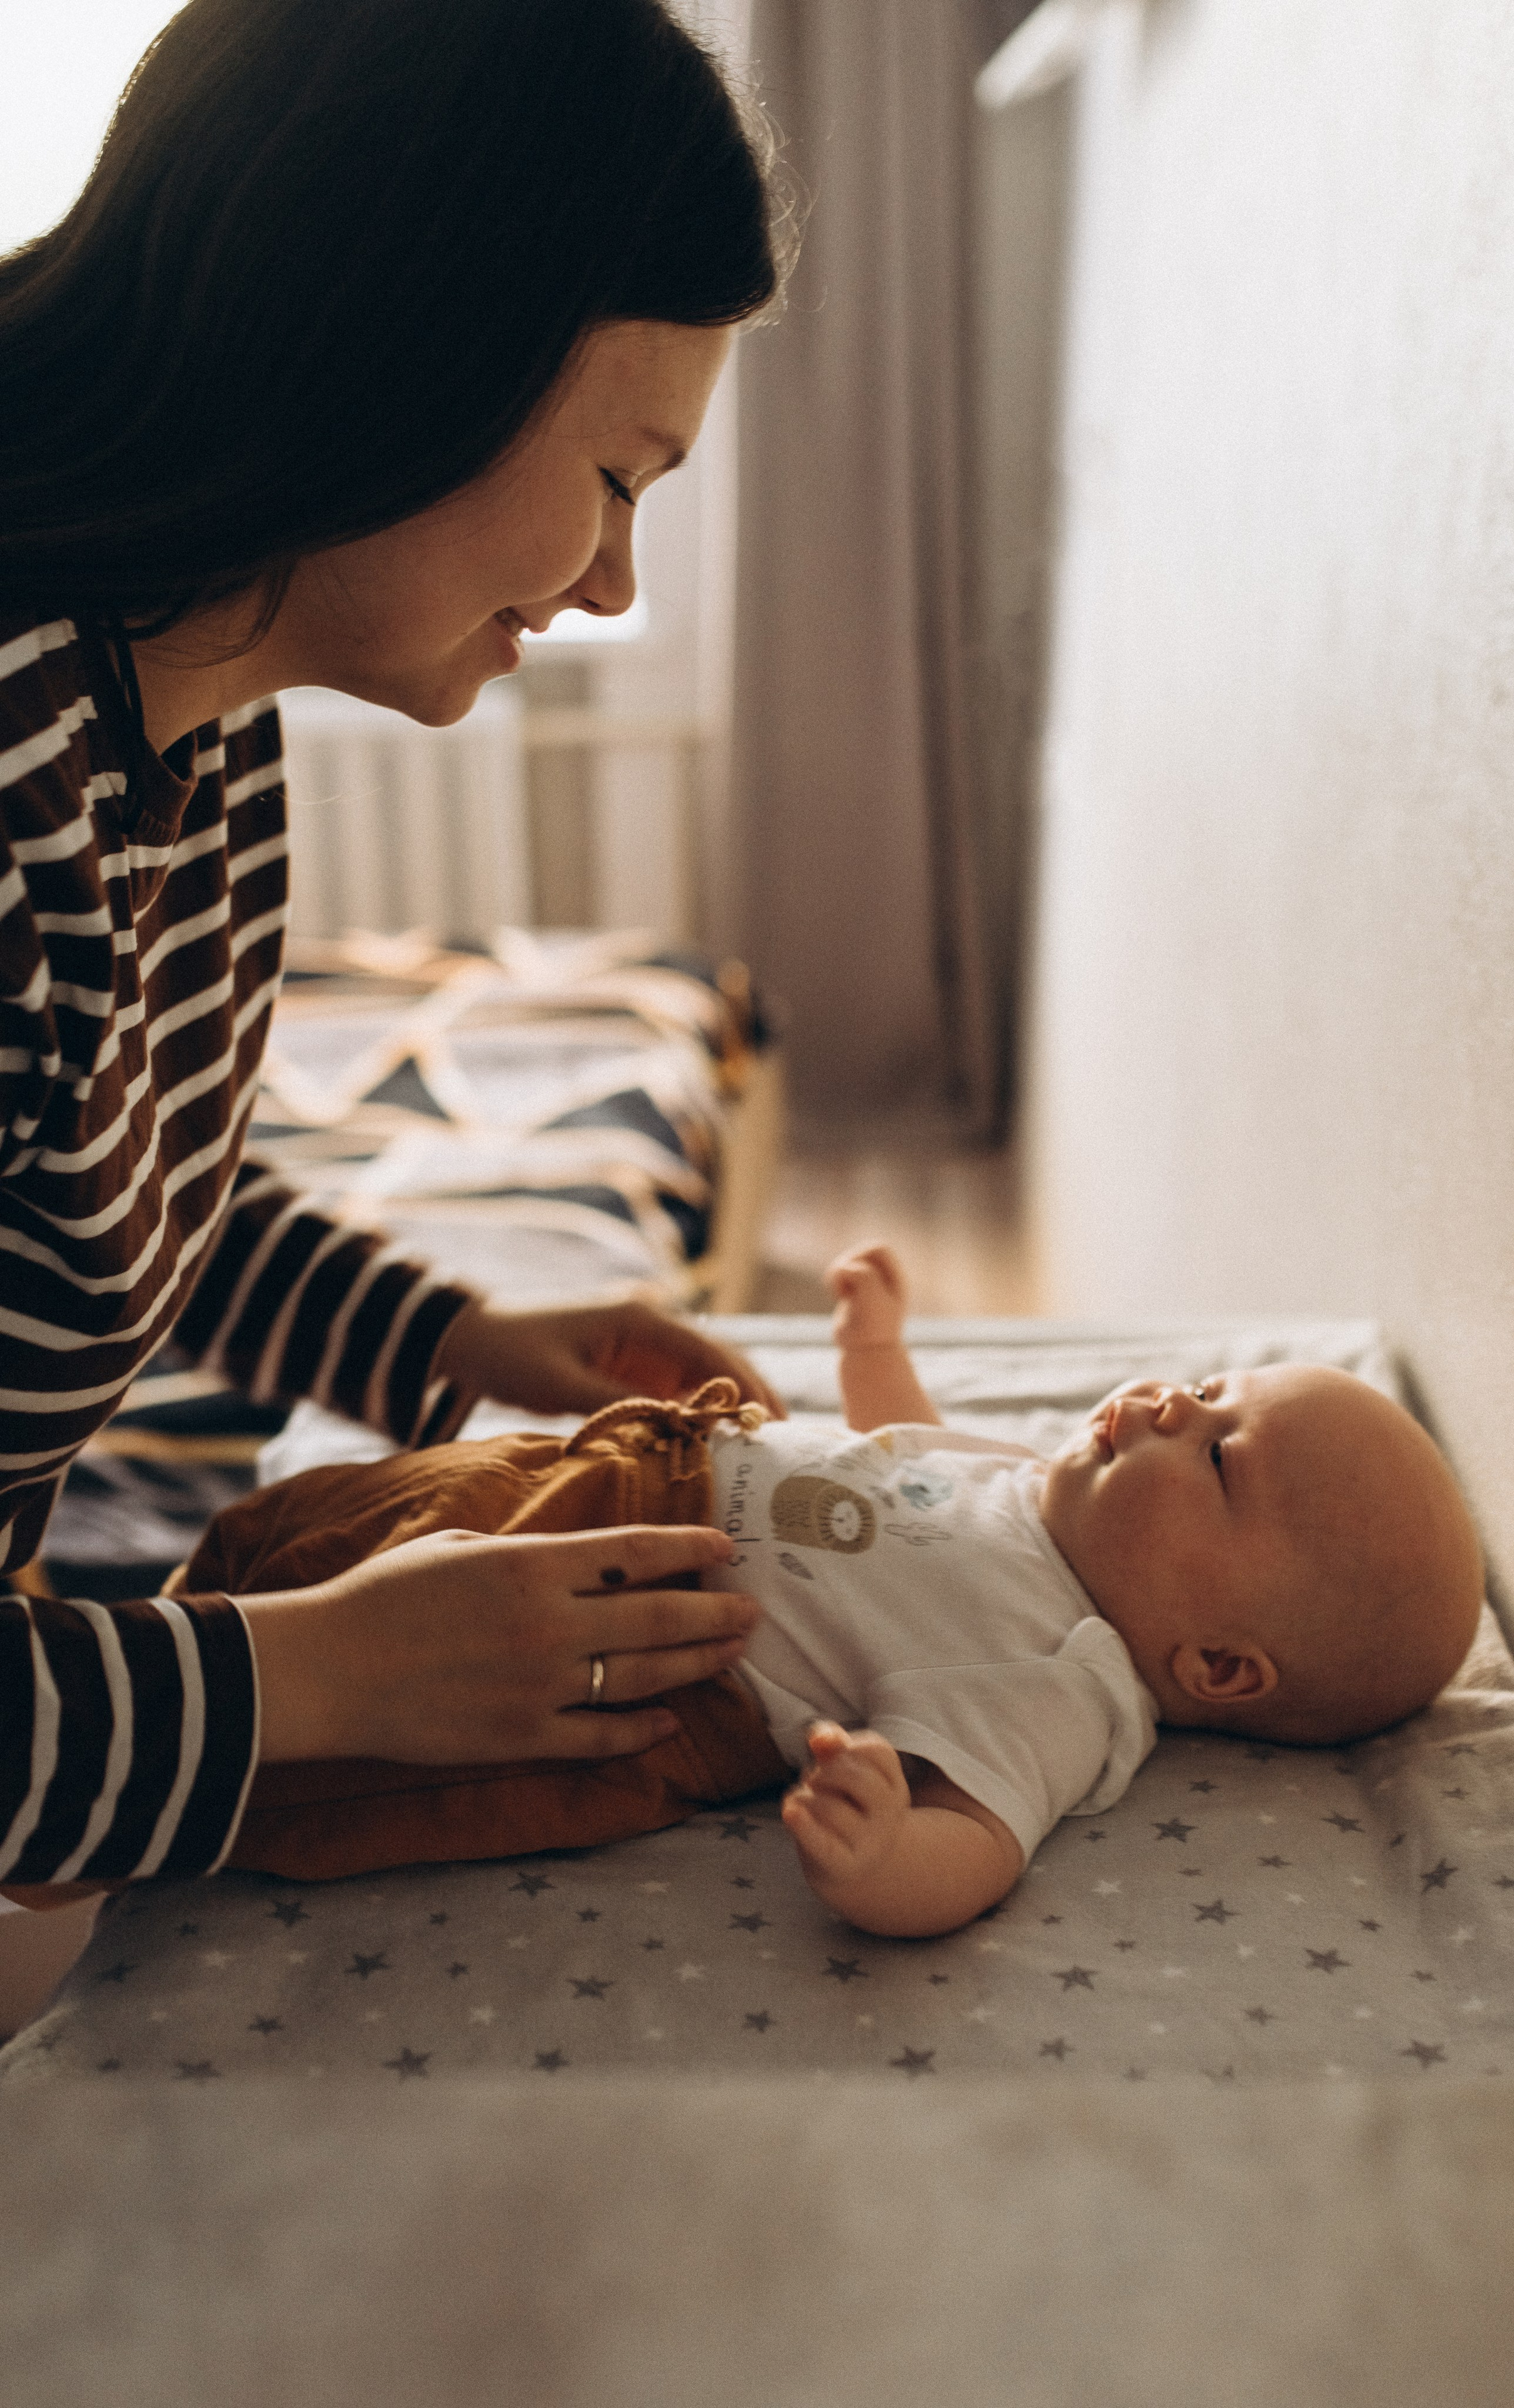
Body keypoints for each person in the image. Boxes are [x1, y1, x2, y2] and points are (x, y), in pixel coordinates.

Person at [0, 0, 790, 1893]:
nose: (613, 583)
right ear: (413, 345)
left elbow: (95, 1182)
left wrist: (452, 1338)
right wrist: (321, 1677)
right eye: (620, 479)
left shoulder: (187, 711)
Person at [177, 1244, 1486, 1936]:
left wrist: (882, 1859)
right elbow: (900, 1458)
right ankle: (184, 1627)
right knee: (299, 1541)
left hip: (617, 1657)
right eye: (1202, 1388)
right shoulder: (1033, 1480)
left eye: (1216, 1455)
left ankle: (165, 1785)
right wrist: (877, 1352)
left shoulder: (1067, 1680)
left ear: (1218, 1667)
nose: (1163, 1403)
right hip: (609, 1471)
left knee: (316, 1763)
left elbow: (980, 1840)